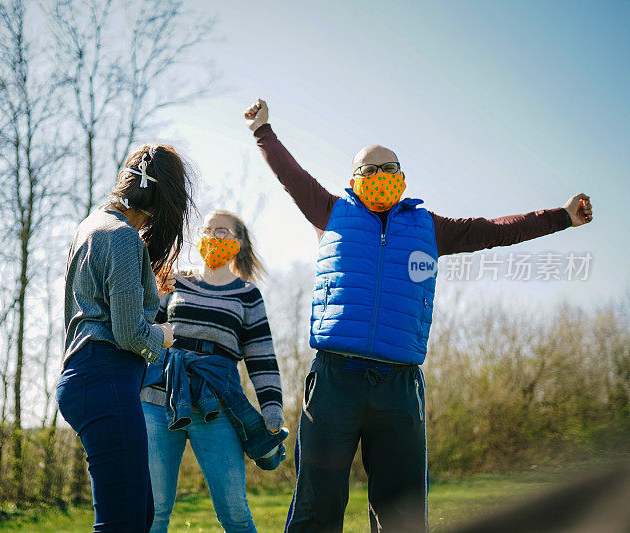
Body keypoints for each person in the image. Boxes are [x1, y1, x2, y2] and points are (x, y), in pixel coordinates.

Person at [242, 98, 594, 533]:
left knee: (402, 517)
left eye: (390, 169)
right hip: (336, 381)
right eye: (369, 171)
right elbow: (291, 177)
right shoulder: (332, 213)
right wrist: (263, 131)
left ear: (403, 177)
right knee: (318, 506)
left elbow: (495, 230)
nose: (381, 177)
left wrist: (562, 217)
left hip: (399, 387)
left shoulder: (429, 226)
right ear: (353, 180)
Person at [57, 144, 196, 533]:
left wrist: (148, 285)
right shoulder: (122, 237)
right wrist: (166, 336)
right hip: (105, 378)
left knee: (139, 515)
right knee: (125, 522)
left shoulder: (92, 224)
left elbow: (101, 303)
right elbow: (129, 333)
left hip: (88, 378)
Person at [140, 209, 286, 533]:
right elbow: (146, 330)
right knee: (153, 511)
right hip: (158, 399)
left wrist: (272, 408)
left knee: (234, 511)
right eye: (207, 230)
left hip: (216, 405)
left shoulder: (248, 295)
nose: (213, 236)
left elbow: (262, 357)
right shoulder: (174, 280)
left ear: (237, 242)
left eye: (221, 231)